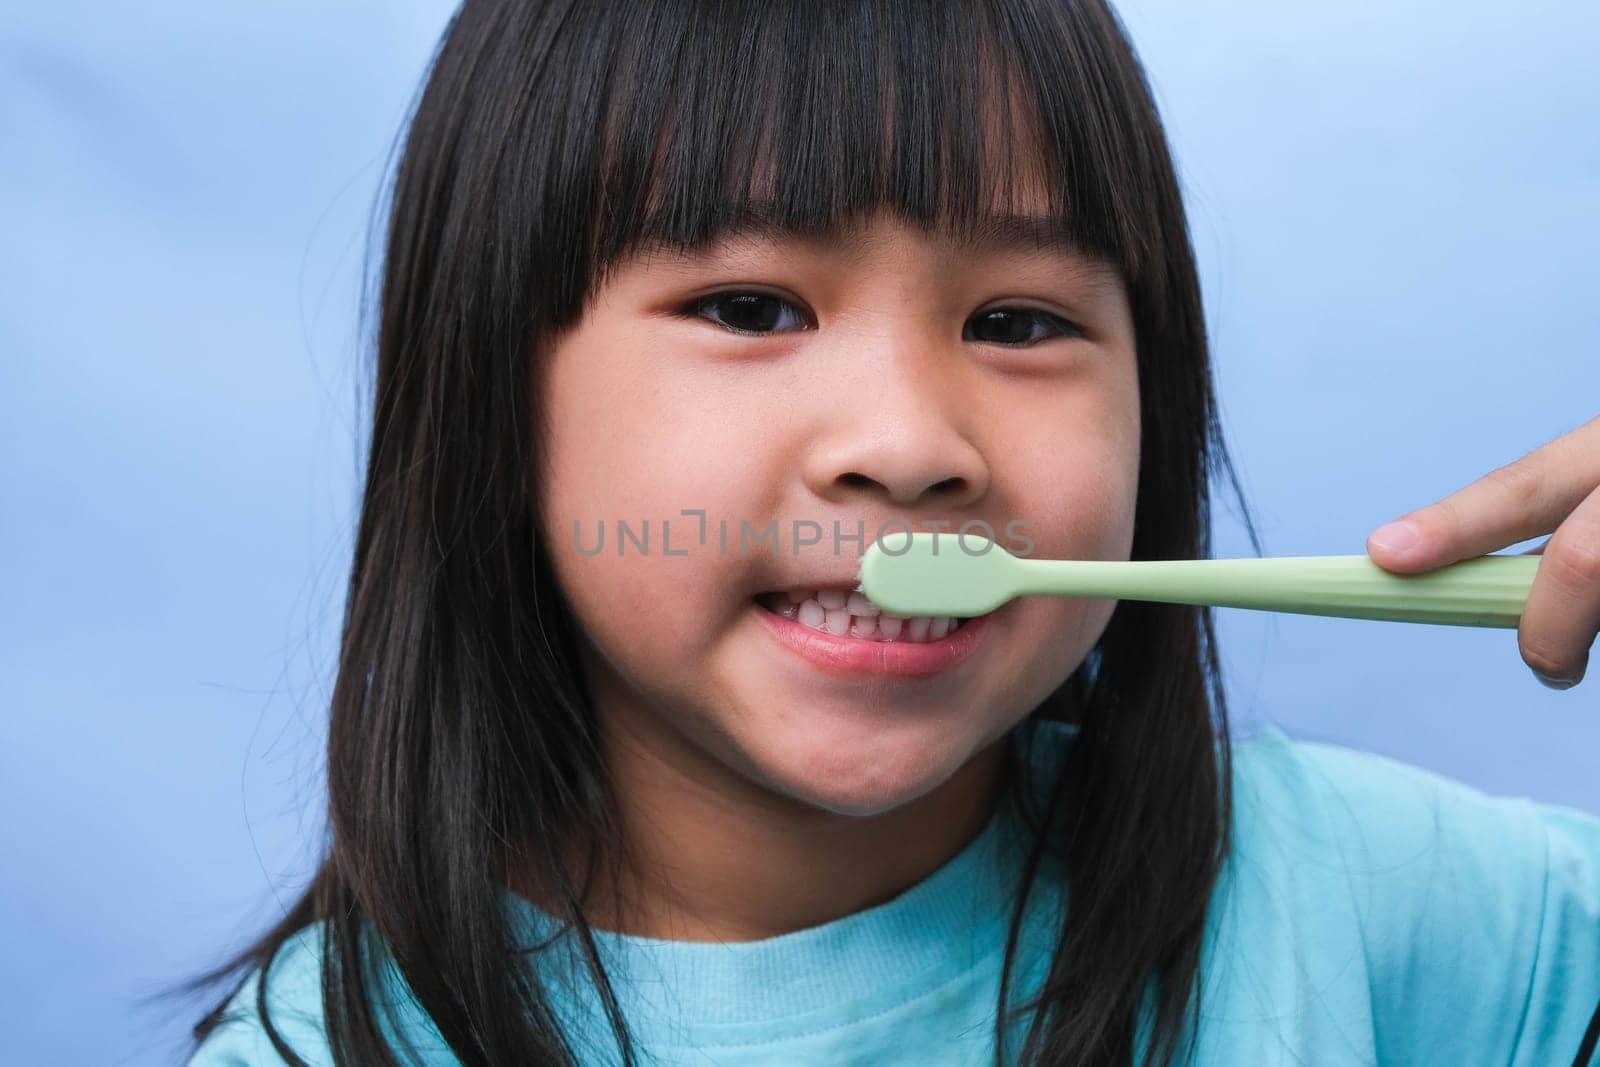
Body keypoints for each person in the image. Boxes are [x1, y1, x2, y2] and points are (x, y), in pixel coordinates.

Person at [180, 0, 1600, 1063]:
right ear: (494, 402)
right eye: (750, 309)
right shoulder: (324, 1050)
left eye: (1018, 323)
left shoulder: (1374, 908)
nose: (913, 446)